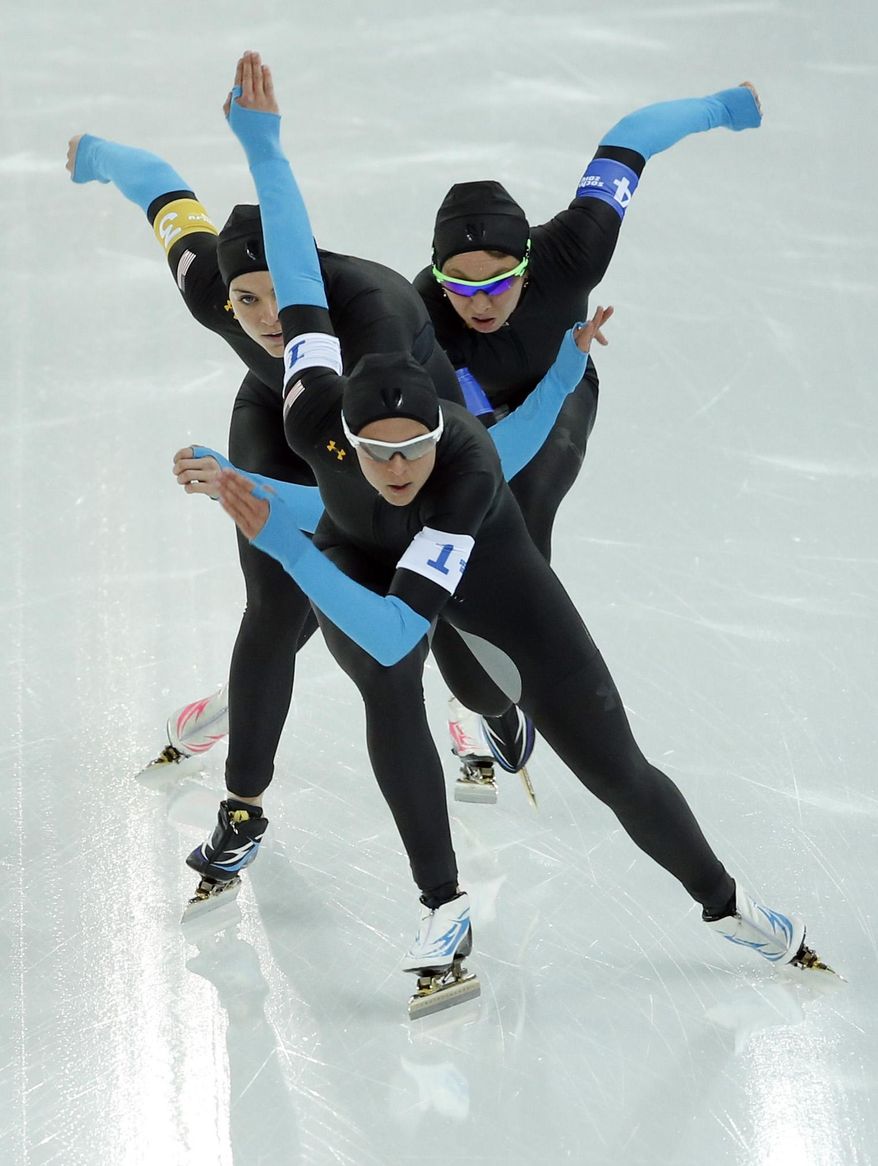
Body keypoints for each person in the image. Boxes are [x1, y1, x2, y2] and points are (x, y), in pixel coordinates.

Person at [202, 52, 829, 1014]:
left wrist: (284, 535)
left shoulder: (461, 476)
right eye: (377, 454)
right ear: (342, 434)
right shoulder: (307, 409)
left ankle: (724, 901)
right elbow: (294, 269)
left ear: (440, 435)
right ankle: (444, 905)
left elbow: (406, 613)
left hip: (489, 560)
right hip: (360, 542)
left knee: (612, 763)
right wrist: (264, 147)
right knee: (384, 691)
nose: (398, 469)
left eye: (415, 450)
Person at [65, 131, 466, 837]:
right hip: (277, 416)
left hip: (390, 443)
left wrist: (246, 489)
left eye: (284, 296)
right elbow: (163, 188)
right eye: (247, 300)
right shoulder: (207, 285)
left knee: (361, 594)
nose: (268, 318)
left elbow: (366, 497)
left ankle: (249, 701)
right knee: (274, 610)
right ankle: (243, 800)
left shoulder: (375, 322)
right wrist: (94, 155)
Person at [412, 80, 765, 794]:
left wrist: (723, 108)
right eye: (461, 288)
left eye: (499, 285)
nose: (480, 306)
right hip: (473, 421)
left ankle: (522, 680)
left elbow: (630, 137)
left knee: (525, 510)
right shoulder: (418, 319)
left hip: (563, 386)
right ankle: (489, 699)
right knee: (474, 529)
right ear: (438, 274)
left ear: (527, 265)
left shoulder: (572, 250)